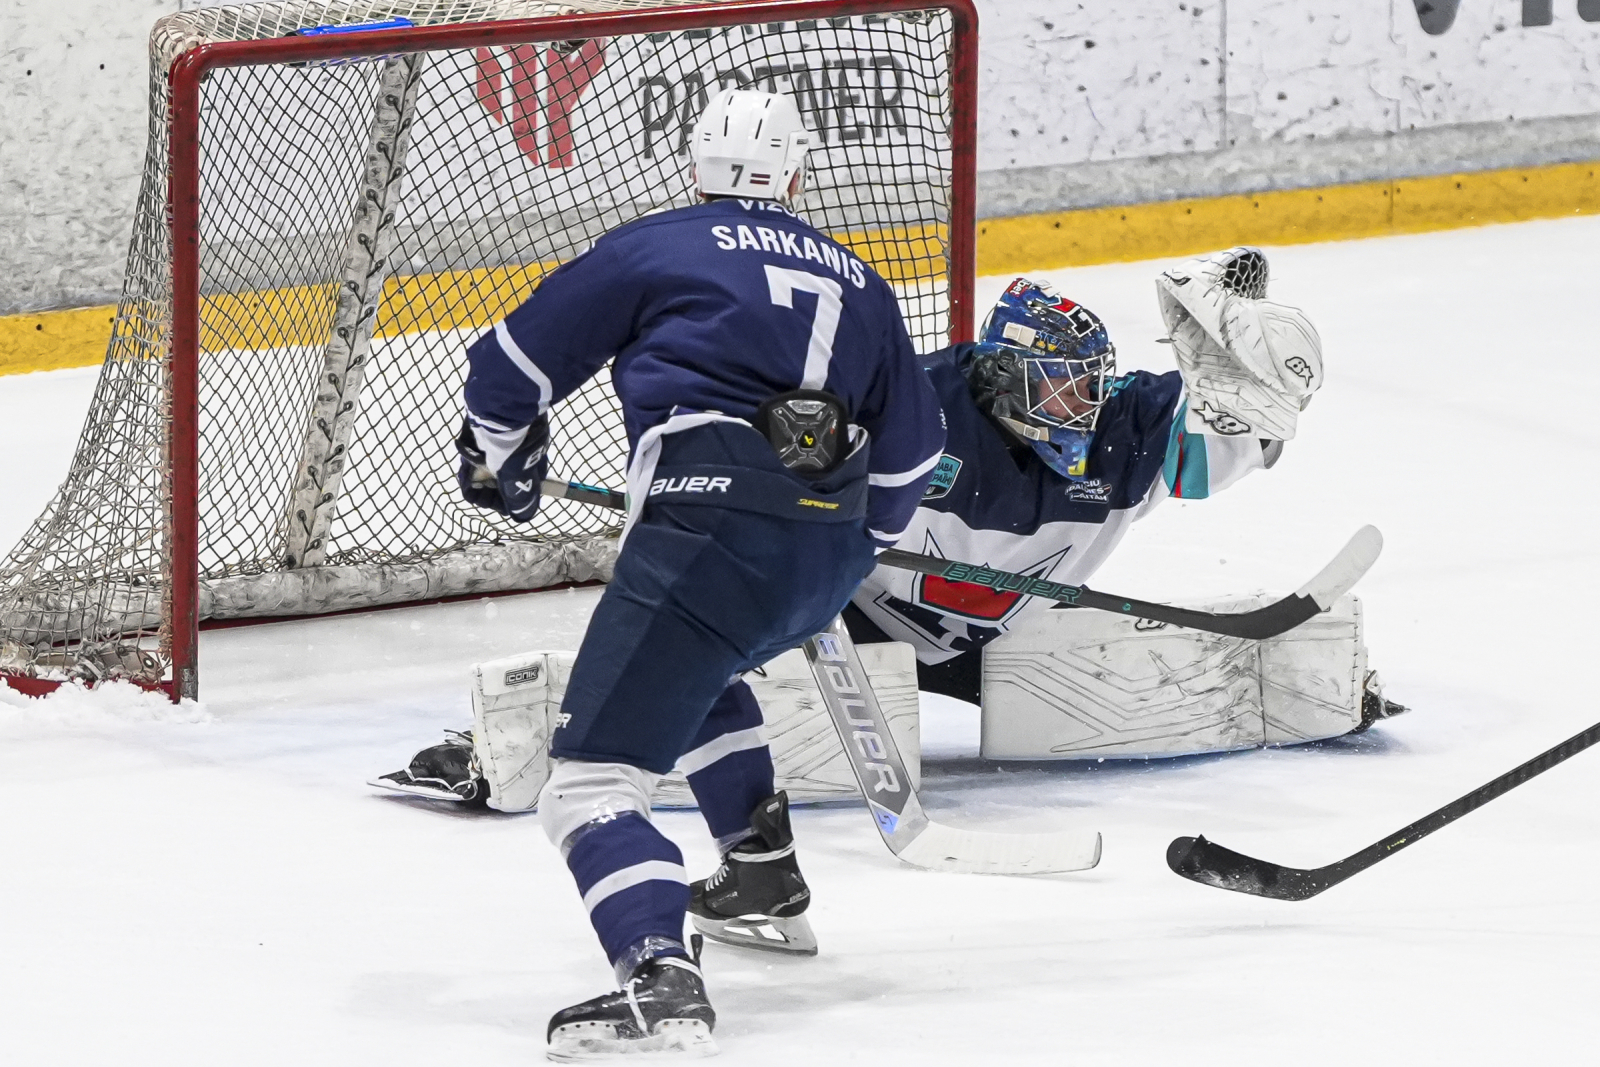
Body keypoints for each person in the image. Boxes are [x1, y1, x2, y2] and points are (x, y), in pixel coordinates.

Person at [453, 86, 944, 1059]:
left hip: (706, 528)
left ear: (696, 168)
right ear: (796, 177)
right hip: (823, 557)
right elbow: (914, 454)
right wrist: (842, 546)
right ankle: (759, 872)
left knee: (588, 784)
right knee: (701, 669)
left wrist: (499, 458)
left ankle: (655, 974)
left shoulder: (655, 247)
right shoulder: (861, 280)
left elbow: (506, 367)